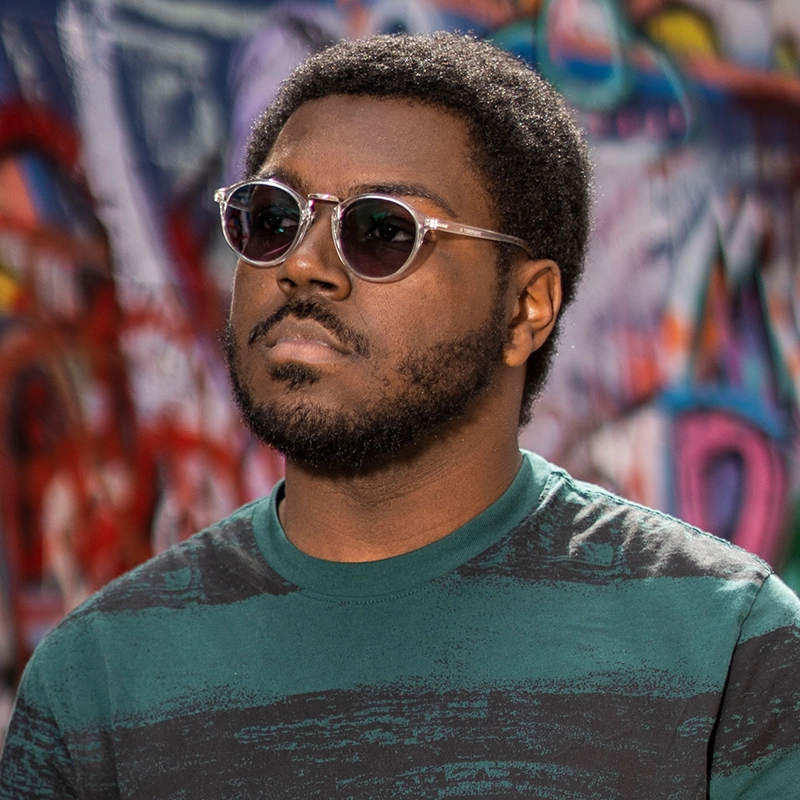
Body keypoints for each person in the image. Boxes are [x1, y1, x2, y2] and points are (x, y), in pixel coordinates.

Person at [1, 32, 799, 799]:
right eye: (272, 219)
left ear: (525, 307)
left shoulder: (727, 647)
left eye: (382, 231)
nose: (303, 265)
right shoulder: (97, 680)